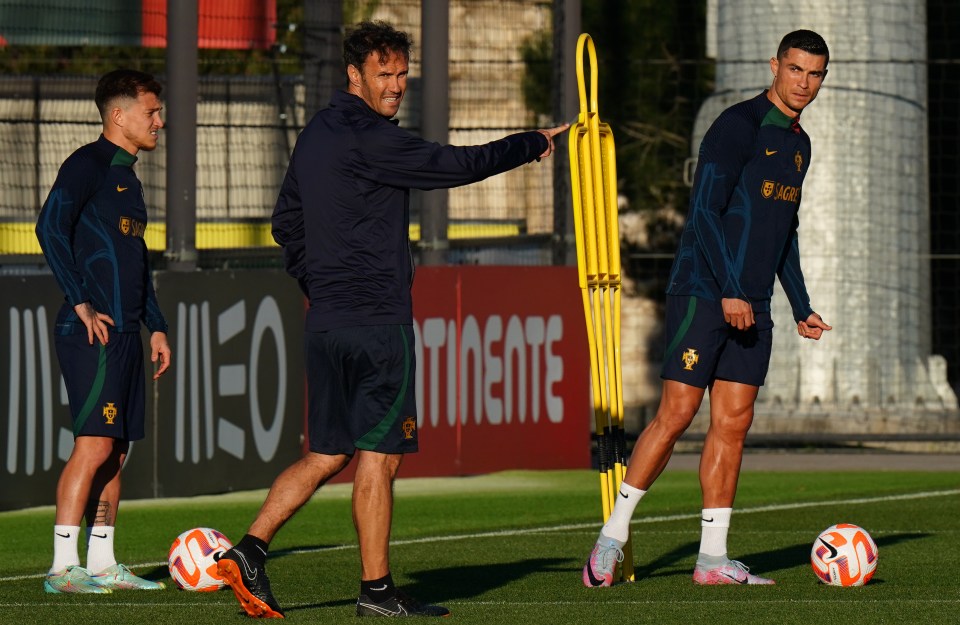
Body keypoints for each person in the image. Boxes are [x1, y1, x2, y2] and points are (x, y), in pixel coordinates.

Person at [215, 20, 567, 619]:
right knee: (381, 456)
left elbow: (285, 224)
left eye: (403, 74)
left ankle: (249, 549)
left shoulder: (315, 134)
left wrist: (318, 282)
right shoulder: (371, 139)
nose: (397, 85)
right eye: (386, 75)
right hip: (377, 323)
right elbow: (456, 165)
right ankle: (375, 591)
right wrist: (530, 143)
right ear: (354, 76)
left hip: (326, 322)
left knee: (328, 453)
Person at [582, 29, 832, 588]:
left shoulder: (800, 145)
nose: (805, 84)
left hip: (755, 303)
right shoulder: (736, 127)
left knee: (734, 423)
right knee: (676, 414)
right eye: (796, 70)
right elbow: (704, 214)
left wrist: (801, 304)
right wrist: (729, 291)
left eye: (815, 74)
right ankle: (611, 538)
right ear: (775, 65)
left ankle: (712, 559)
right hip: (704, 290)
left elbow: (783, 232)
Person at [35, 69, 171, 594]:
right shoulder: (86, 165)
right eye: (151, 112)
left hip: (127, 334)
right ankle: (61, 567)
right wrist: (82, 301)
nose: (160, 120)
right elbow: (49, 226)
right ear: (119, 116)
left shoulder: (128, 177)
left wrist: (155, 327)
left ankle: (101, 562)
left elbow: (134, 261)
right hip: (89, 332)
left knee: (116, 449)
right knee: (94, 445)